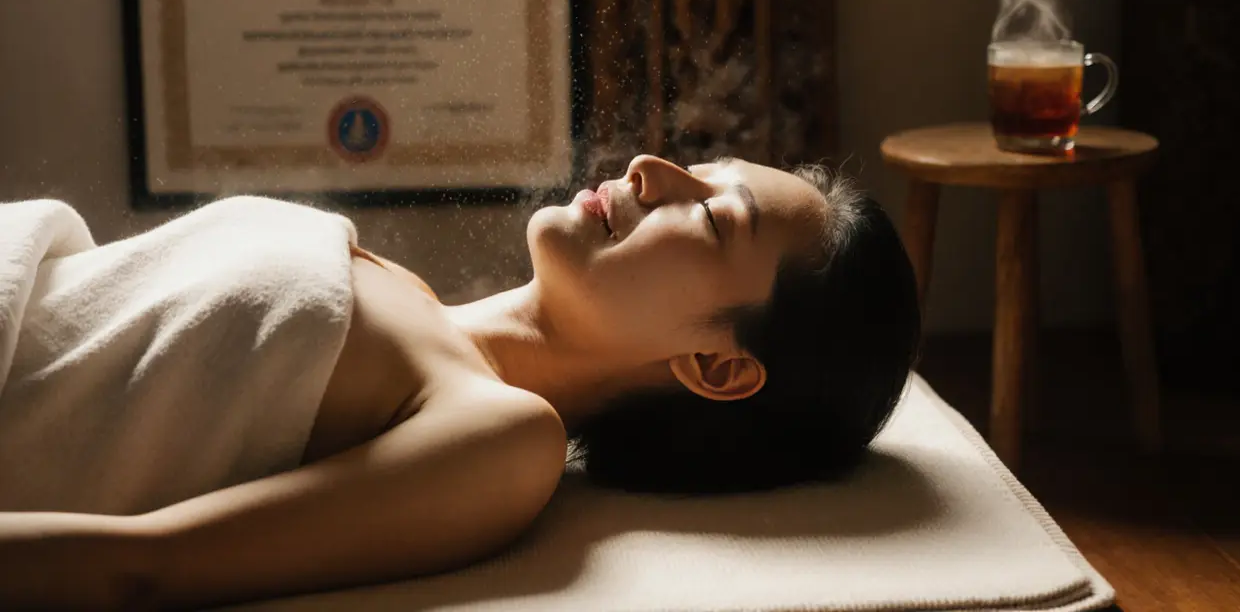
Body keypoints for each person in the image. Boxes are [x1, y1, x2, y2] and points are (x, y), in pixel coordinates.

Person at [0, 154, 920, 610]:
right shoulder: (404, 291)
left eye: (715, 216)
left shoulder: (503, 437)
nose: (652, 167)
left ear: (717, 367)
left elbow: (143, 565)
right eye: (698, 158)